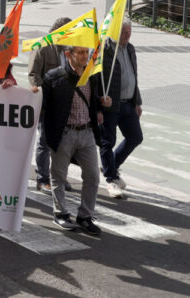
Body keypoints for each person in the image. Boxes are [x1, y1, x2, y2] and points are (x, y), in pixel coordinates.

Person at [41, 46, 111, 237]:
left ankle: (85, 217)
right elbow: (43, 107)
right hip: (64, 133)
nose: (84, 56)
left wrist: (102, 103)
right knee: (59, 177)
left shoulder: (92, 75)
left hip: (86, 132)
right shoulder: (54, 77)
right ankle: (61, 213)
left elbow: (93, 102)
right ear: (68, 54)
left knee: (93, 177)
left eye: (85, 52)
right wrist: (46, 134)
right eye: (79, 52)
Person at [27, 17, 72, 194]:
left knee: (63, 143)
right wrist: (42, 94)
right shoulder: (43, 47)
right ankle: (42, 178)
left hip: (64, 104)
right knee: (44, 141)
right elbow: (33, 75)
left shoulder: (69, 49)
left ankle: (59, 177)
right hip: (46, 103)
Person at [99, 20, 143, 199]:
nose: (128, 35)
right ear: (115, 32)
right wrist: (98, 105)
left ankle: (112, 166)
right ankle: (111, 179)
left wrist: (137, 101)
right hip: (111, 104)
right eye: (125, 32)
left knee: (135, 137)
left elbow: (134, 76)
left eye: (130, 31)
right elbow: (97, 78)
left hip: (128, 103)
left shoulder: (130, 49)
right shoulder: (105, 50)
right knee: (107, 141)